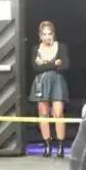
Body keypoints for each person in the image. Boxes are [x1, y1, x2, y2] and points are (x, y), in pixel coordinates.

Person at [30, 20, 70, 158]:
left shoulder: (61, 47)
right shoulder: (36, 49)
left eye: (50, 34)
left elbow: (65, 65)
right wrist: (55, 63)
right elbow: (36, 68)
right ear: (40, 35)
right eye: (44, 34)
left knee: (58, 113)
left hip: (57, 81)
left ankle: (60, 146)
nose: (47, 37)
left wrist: (46, 63)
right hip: (41, 82)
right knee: (43, 113)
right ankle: (47, 145)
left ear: (54, 34)